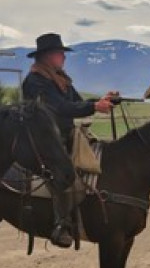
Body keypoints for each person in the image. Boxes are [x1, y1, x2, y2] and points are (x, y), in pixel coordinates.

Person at [22, 33, 115, 247]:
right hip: (43, 138)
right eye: (59, 53)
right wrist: (94, 107)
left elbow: (77, 103)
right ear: (46, 56)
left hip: (62, 134)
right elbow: (60, 108)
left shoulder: (60, 79)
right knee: (61, 173)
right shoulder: (35, 81)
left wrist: (102, 101)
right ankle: (60, 224)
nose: (63, 57)